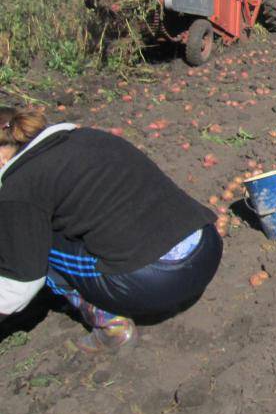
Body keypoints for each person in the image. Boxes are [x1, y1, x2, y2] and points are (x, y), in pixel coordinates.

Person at [0, 107, 223, 354]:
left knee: (33, 245)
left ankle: (111, 326)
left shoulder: (18, 188)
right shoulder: (87, 136)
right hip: (207, 247)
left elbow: (21, 285)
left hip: (159, 283)